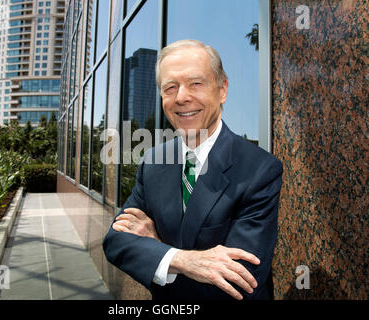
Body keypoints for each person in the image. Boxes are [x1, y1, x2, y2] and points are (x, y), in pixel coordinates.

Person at [102, 39, 283, 300]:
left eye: (196, 83)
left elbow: (238, 281)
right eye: (170, 87)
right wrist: (184, 260)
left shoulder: (260, 170)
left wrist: (157, 251)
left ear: (222, 90)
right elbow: (116, 242)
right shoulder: (153, 162)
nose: (182, 97)